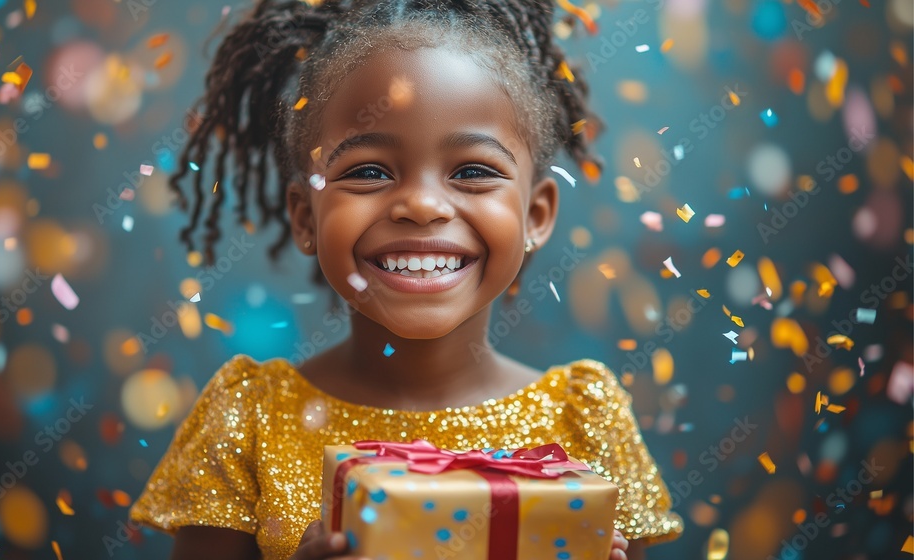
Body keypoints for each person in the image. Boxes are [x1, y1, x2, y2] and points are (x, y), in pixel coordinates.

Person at [129, 0, 684, 558]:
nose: (421, 204)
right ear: (305, 217)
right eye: (369, 171)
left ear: (536, 216)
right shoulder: (247, 421)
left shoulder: (585, 420)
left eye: (472, 171)